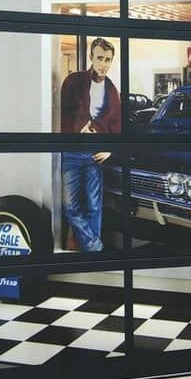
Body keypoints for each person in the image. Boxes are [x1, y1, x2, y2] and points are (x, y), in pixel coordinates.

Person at [60, 37, 121, 251]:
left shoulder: (112, 90)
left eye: (108, 59)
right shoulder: (74, 82)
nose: (104, 64)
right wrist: (77, 132)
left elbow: (116, 125)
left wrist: (110, 150)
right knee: (69, 205)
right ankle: (95, 247)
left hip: (95, 154)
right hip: (72, 152)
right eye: (100, 58)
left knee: (94, 206)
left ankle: (91, 253)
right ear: (91, 58)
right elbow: (62, 115)